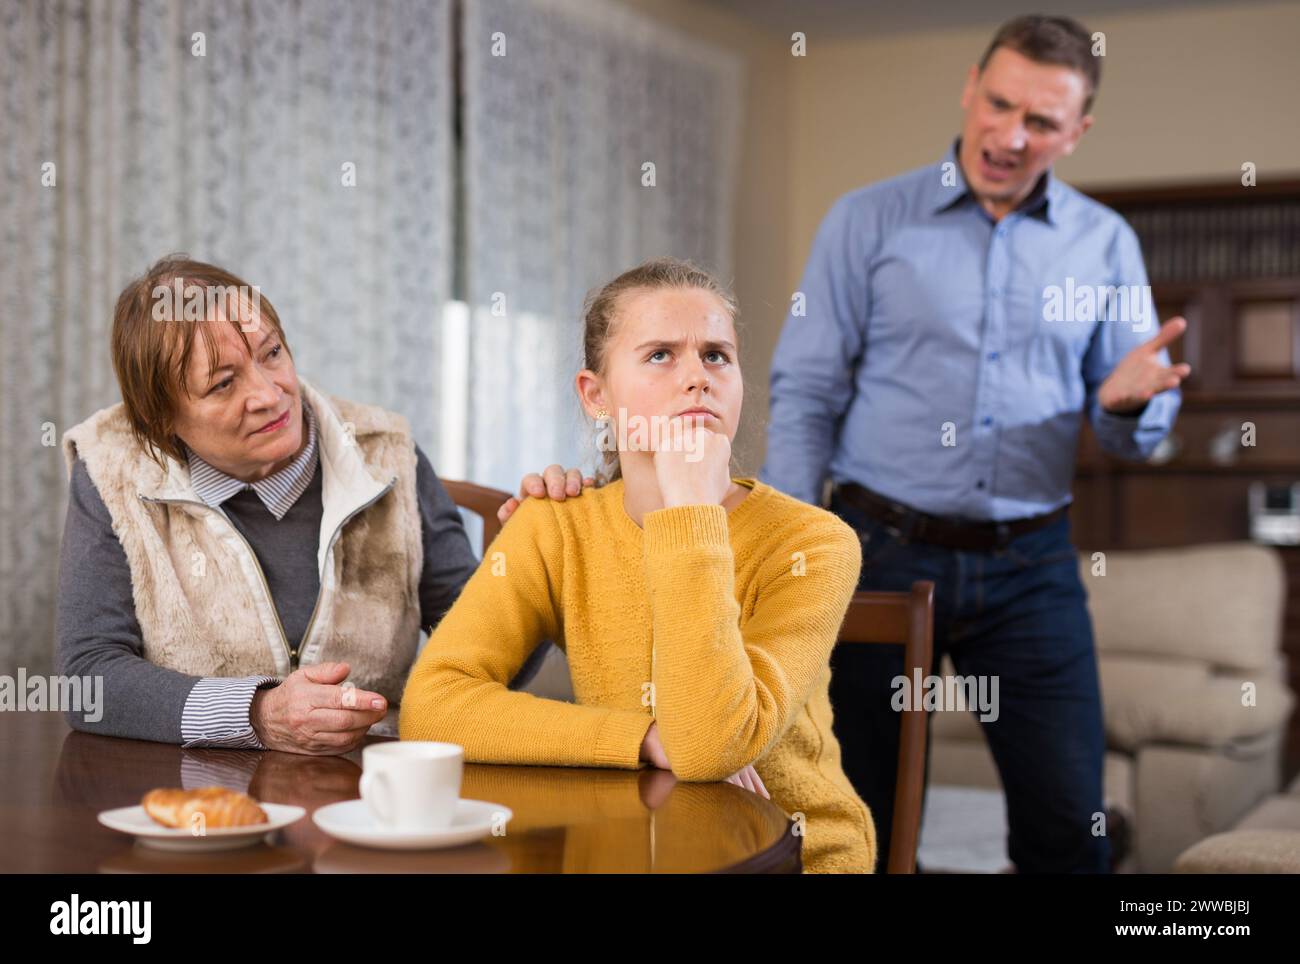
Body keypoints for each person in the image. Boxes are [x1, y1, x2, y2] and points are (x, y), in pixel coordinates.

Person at [761, 15, 1188, 873]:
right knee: (859, 824)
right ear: (971, 86)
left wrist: (1124, 405)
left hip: (1030, 567)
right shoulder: (867, 220)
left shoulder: (1104, 244)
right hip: (874, 553)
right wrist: (789, 548)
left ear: (1078, 131)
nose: (1010, 134)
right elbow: (806, 391)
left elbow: (1137, 430)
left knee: (1070, 827)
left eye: (1041, 120)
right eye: (998, 104)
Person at [400, 257, 876, 872]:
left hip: (793, 855)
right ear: (596, 395)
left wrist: (690, 514)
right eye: (660, 355)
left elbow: (708, 748)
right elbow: (432, 704)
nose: (697, 378)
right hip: (626, 850)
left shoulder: (815, 543)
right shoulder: (555, 524)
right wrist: (644, 740)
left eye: (716, 355)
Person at [57, 255, 559, 754]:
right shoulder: (111, 471)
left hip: (367, 789)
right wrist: (256, 713)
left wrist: (533, 571)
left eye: (271, 353)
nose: (269, 395)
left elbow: (481, 656)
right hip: (199, 803)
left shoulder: (388, 455)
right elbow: (90, 680)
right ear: (160, 420)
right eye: (223, 383)